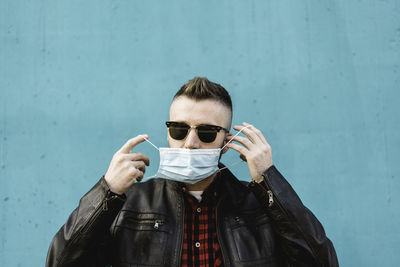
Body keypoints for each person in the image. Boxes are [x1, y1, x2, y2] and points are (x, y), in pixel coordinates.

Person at [46, 77, 339, 267]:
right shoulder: (129, 204)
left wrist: (269, 180)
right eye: (179, 128)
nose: (190, 143)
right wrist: (106, 192)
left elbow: (321, 262)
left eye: (207, 132)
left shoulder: (260, 206)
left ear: (227, 142)